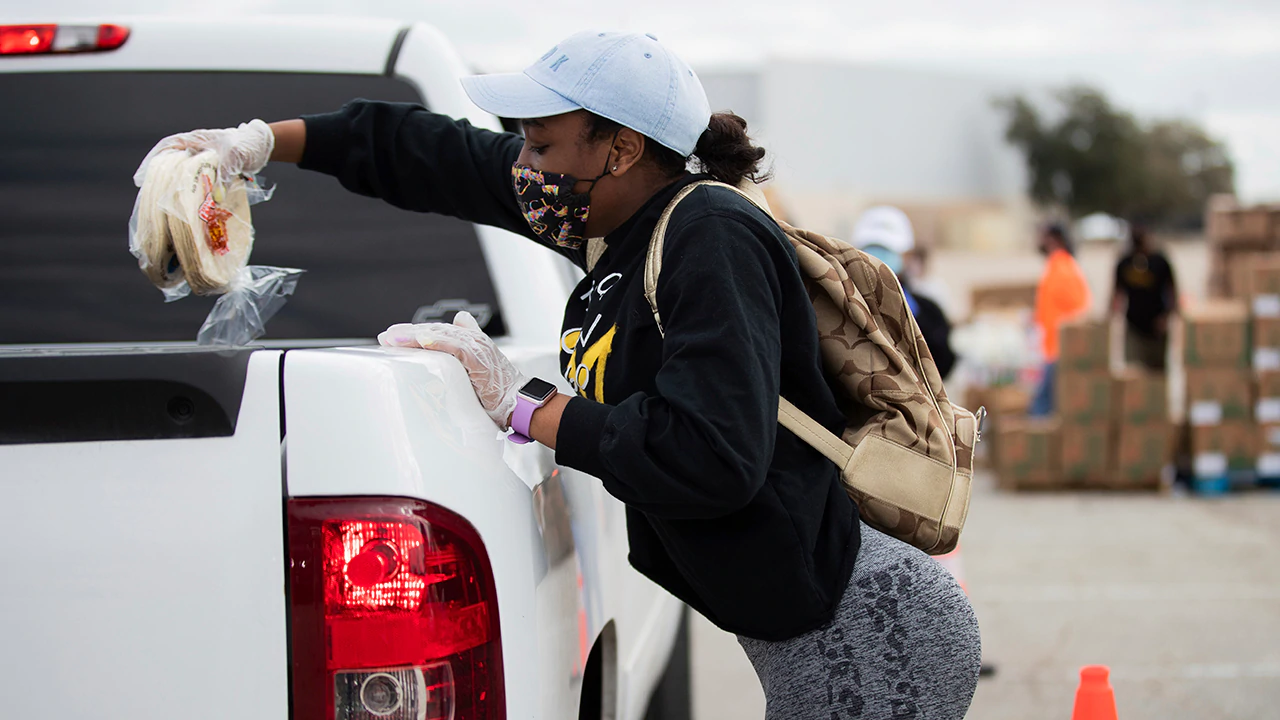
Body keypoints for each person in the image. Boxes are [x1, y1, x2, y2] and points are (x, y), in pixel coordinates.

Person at [142, 31, 979, 717]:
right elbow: (431, 154)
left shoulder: (707, 235)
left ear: (619, 148)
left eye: (541, 141)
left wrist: (526, 407)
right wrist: (260, 144)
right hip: (809, 628)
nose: (525, 161)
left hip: (864, 634)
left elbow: (713, 455)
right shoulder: (617, 228)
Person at [851, 206, 957, 379]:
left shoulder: (928, 310)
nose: (877, 259)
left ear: (906, 255)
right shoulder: (842, 301)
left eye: (887, 250)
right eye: (871, 249)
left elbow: (942, 365)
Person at [1029, 223, 1092, 417]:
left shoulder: (1063, 267)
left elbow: (1078, 309)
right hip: (1052, 347)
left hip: (1058, 349)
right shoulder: (1057, 265)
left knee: (1042, 407)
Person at [1111, 226, 1178, 370]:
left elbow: (1172, 291)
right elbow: (1117, 293)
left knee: (1157, 373)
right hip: (1134, 327)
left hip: (1157, 327)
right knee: (1134, 372)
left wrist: (1167, 317)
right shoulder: (1125, 263)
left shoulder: (1159, 261)